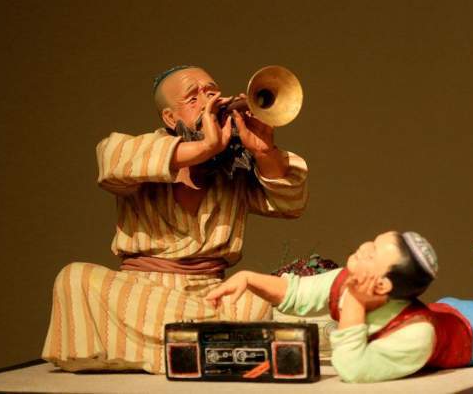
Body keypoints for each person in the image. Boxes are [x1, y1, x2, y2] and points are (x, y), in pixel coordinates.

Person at [42, 65, 308, 374]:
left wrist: (265, 152)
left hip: (213, 292)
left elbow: (290, 204)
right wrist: (204, 147)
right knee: (75, 278)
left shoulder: (237, 164)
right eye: (193, 98)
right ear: (170, 118)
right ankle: (211, 342)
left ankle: (184, 343)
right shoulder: (143, 150)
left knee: (255, 298)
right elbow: (111, 160)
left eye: (212, 92)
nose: (208, 101)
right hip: (140, 291)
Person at [206, 217, 473, 383]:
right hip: (448, 312)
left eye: (373, 252)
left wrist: (354, 306)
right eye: (373, 243)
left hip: (471, 332)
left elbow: (354, 370)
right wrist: (249, 278)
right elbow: (297, 293)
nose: (363, 247)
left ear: (381, 285)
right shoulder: (349, 280)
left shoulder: (416, 335)